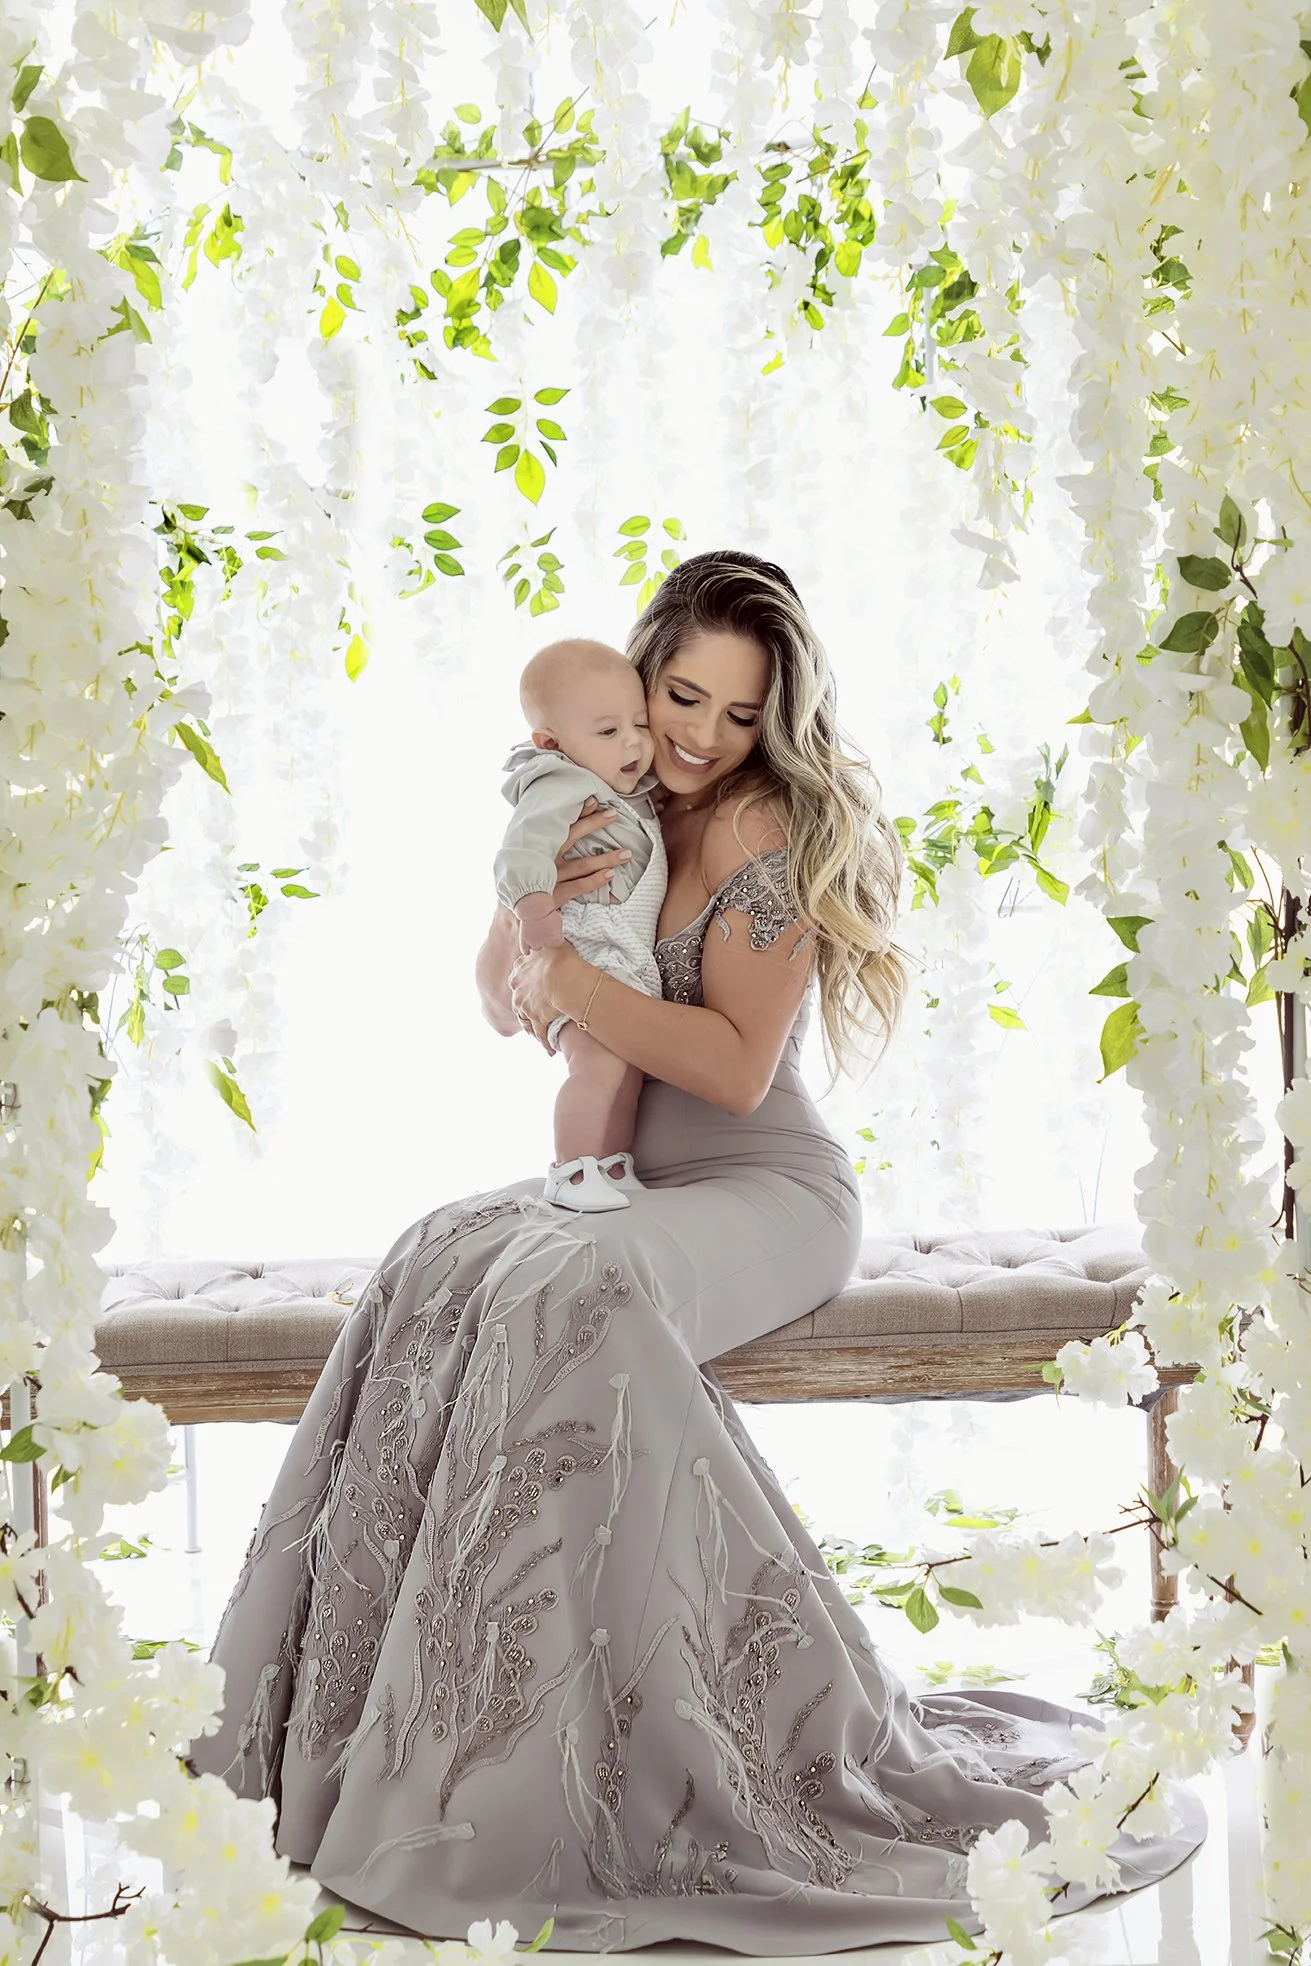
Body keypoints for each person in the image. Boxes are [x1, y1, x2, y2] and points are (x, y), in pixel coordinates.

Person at [189, 551, 1204, 1952]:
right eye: (683, 696)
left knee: (570, 1281)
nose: (702, 735)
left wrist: (578, 981)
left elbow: (730, 1070)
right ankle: (360, 1740)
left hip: (758, 1186)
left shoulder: (760, 829)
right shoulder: (593, 799)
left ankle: (558, 1776)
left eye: (737, 712)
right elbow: (501, 1000)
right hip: (631, 1180)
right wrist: (535, 918)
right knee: (436, 1252)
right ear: (640, 664)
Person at [495, 637, 666, 1213]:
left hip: (616, 957)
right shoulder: (560, 781)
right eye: (608, 731)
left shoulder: (615, 787)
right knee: (595, 1066)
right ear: (553, 743)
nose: (633, 743)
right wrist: (537, 922)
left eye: (638, 724)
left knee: (626, 1072)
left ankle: (611, 1166)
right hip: (583, 952)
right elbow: (519, 854)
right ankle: (570, 1172)